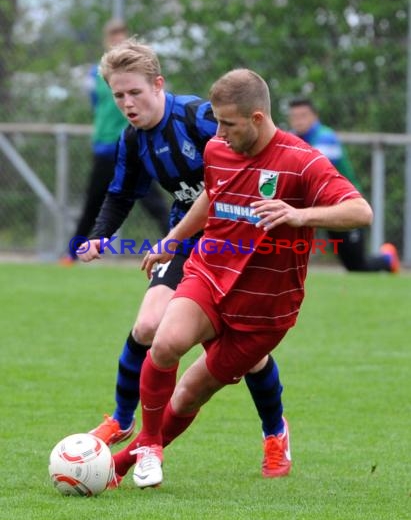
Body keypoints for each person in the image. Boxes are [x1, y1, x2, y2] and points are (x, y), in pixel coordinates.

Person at [109, 68, 373, 489]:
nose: (219, 133)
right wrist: (173, 239)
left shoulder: (301, 160)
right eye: (216, 121)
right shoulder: (217, 147)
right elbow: (212, 195)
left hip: (266, 307)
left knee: (191, 391)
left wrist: (300, 215)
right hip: (209, 271)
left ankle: (130, 459)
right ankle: (141, 455)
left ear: (256, 118)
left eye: (228, 124)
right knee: (165, 342)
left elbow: (361, 211)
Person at [78, 40, 289, 478]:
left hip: (234, 242)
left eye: (135, 92)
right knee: (148, 326)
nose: (127, 103)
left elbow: (236, 171)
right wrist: (99, 237)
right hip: (186, 239)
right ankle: (122, 419)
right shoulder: (134, 140)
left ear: (159, 84)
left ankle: (275, 434)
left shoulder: (198, 117)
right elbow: (119, 194)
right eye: (118, 95)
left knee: (247, 356)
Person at [59, 19, 169, 265]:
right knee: (95, 201)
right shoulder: (97, 76)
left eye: (122, 38)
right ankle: (72, 253)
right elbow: (96, 105)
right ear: (106, 43)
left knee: (155, 203)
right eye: (113, 38)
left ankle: (175, 245)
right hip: (106, 146)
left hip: (134, 148)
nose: (126, 100)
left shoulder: (138, 78)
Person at [288, 97, 399, 272]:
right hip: (317, 206)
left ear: (315, 117)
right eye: (294, 117)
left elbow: (311, 168)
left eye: (303, 115)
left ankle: (387, 258)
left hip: (343, 204)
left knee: (356, 266)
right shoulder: (292, 139)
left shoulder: (325, 137)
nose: (298, 121)